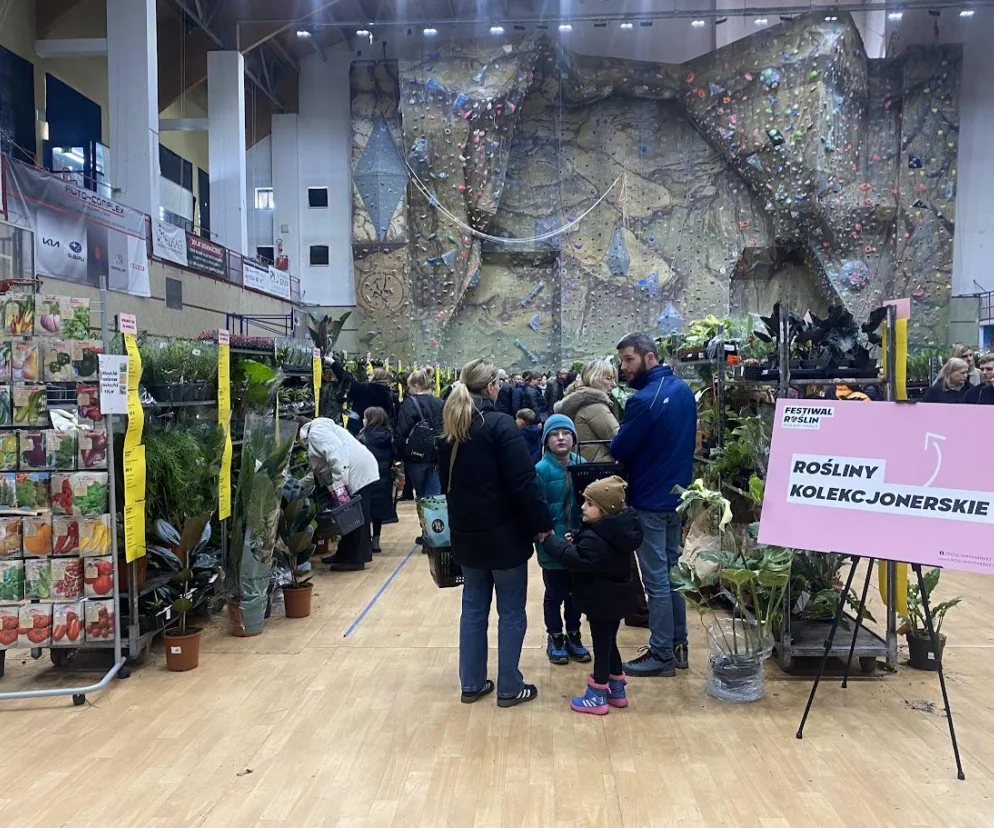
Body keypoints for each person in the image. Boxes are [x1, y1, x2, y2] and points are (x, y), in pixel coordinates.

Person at [439, 358, 552, 708]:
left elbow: (445, 484)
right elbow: (523, 482)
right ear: (490, 387)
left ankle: (471, 684)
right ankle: (509, 687)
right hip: (504, 537)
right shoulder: (501, 425)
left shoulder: (451, 428)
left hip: (466, 535)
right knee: (511, 611)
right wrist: (541, 524)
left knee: (473, 609)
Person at [610, 332, 696, 677]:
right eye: (622, 360)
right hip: (677, 497)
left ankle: (661, 653)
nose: (624, 367)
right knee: (673, 574)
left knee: (657, 579)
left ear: (649, 357)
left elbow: (619, 448)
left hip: (649, 499)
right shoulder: (684, 391)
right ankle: (678, 645)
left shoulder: (643, 400)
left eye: (629, 359)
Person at [555, 358, 648, 628]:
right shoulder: (595, 405)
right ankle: (636, 609)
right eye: (607, 377)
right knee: (619, 543)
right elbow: (620, 439)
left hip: (589, 476)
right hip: (604, 479)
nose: (612, 382)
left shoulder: (576, 401)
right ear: (596, 378)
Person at [542, 475, 643, 714]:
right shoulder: (616, 532)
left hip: (601, 601)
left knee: (601, 646)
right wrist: (578, 537)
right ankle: (617, 690)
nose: (583, 507)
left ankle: (597, 695)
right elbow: (596, 545)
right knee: (610, 643)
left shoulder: (597, 540)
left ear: (605, 510)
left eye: (589, 504)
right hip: (616, 599)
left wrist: (550, 542)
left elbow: (573, 558)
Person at [533, 413, 591, 666]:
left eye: (566, 433)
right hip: (551, 544)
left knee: (575, 594)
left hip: (578, 543)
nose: (560, 438)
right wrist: (545, 535)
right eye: (554, 434)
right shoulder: (540, 470)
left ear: (574, 438)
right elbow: (536, 506)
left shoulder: (582, 464)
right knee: (554, 593)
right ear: (546, 440)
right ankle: (555, 636)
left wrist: (582, 533)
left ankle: (574, 634)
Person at [300, 417, 380, 571]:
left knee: (356, 517)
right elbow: (321, 469)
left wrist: (338, 484)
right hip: (355, 471)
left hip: (356, 473)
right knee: (347, 516)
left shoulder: (316, 432)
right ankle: (344, 553)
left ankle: (357, 560)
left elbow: (336, 455)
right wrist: (299, 484)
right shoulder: (318, 431)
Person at [554, 359, 621, 462]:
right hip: (601, 466)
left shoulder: (581, 402)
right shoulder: (595, 407)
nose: (613, 384)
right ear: (594, 378)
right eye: (608, 379)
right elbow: (619, 441)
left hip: (588, 463)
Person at [394, 369, 444, 498]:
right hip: (437, 455)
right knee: (434, 494)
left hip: (415, 456)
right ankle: (433, 511)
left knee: (421, 493)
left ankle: (425, 510)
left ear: (415, 385)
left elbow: (402, 431)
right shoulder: (440, 402)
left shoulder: (408, 404)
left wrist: (398, 454)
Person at [358, 406, 398, 554]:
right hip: (384, 477)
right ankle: (376, 540)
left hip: (367, 477)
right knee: (379, 511)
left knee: (366, 508)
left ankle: (366, 541)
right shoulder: (390, 435)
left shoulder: (363, 436)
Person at [333, 358, 396, 422]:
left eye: (371, 375)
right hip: (381, 424)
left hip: (362, 422)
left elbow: (347, 380)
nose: (368, 377)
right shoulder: (388, 392)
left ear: (376, 377)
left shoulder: (365, 388)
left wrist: (333, 364)